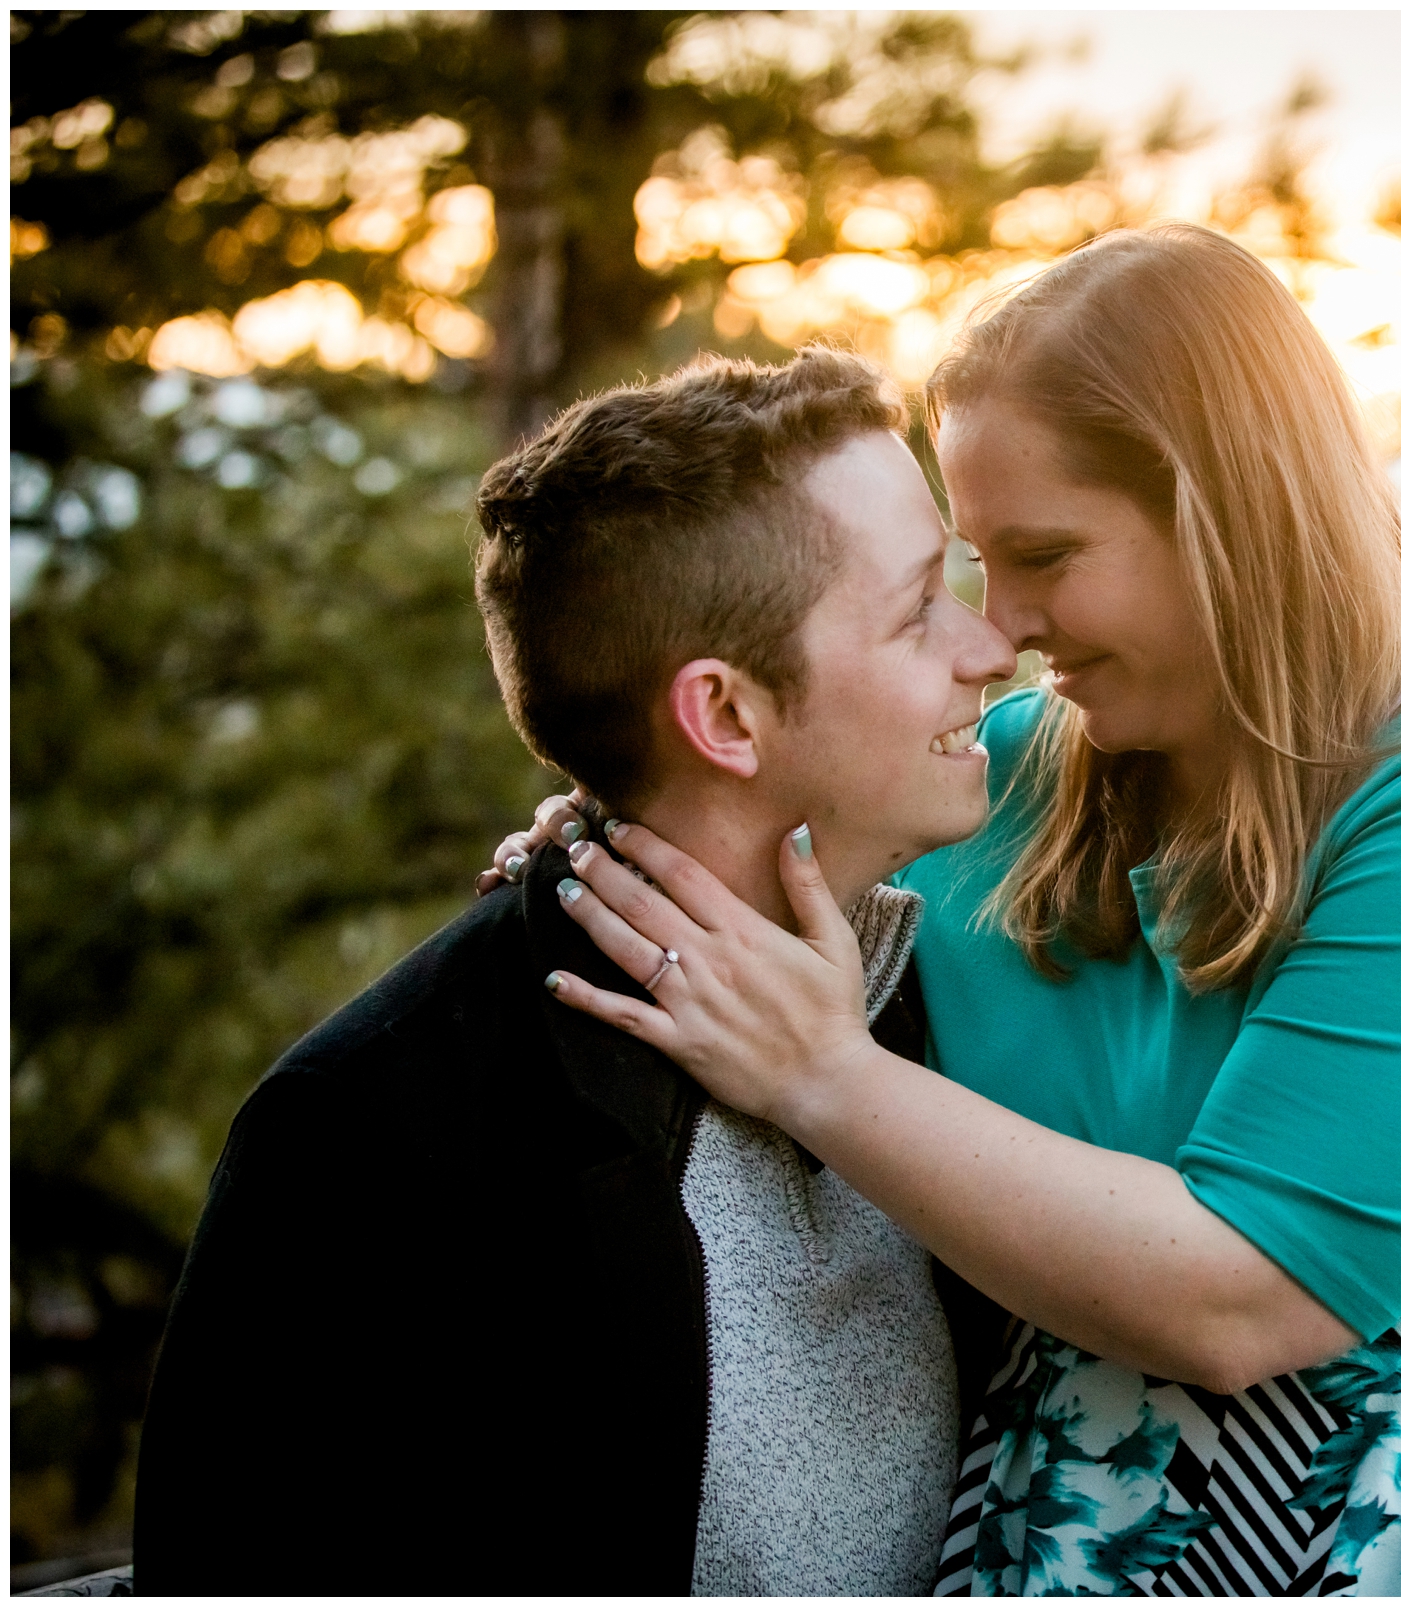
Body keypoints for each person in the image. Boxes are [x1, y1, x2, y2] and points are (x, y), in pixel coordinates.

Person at [524, 225, 1401, 1596]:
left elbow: (1238, 1294)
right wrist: (579, 824)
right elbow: (720, 805)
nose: (1005, 623)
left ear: (1230, 514)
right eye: (974, 561)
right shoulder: (1008, 779)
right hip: (1096, 1519)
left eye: (1044, 553)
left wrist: (824, 1078)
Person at [133, 350, 1021, 1594]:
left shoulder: (984, 974)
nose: (991, 644)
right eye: (920, 605)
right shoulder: (366, 1135)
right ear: (723, 717)